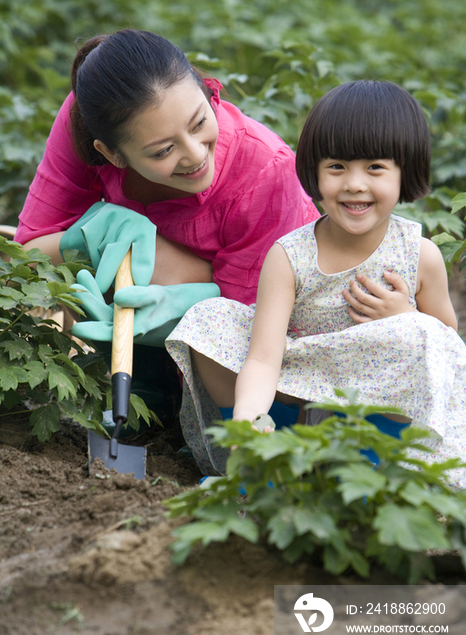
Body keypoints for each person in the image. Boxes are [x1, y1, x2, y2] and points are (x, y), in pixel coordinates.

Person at [165, 80, 466, 489]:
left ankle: (377, 467)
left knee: (423, 334)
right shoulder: (290, 255)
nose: (354, 184)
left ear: (404, 172)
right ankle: (273, 452)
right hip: (301, 384)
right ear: (315, 172)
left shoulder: (419, 255)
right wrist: (248, 421)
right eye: (337, 167)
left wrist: (407, 317)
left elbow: (448, 348)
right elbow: (263, 358)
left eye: (375, 167)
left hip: (374, 407)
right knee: (210, 318)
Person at [14, 29, 319, 421]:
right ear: (110, 152)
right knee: (111, 246)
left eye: (199, 122)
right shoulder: (89, 117)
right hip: (188, 326)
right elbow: (24, 261)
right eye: (163, 150)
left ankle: (178, 409)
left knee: (134, 254)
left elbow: (252, 325)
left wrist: (183, 306)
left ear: (207, 91)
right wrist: (82, 237)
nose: (194, 155)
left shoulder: (265, 170)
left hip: (269, 354)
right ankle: (145, 395)